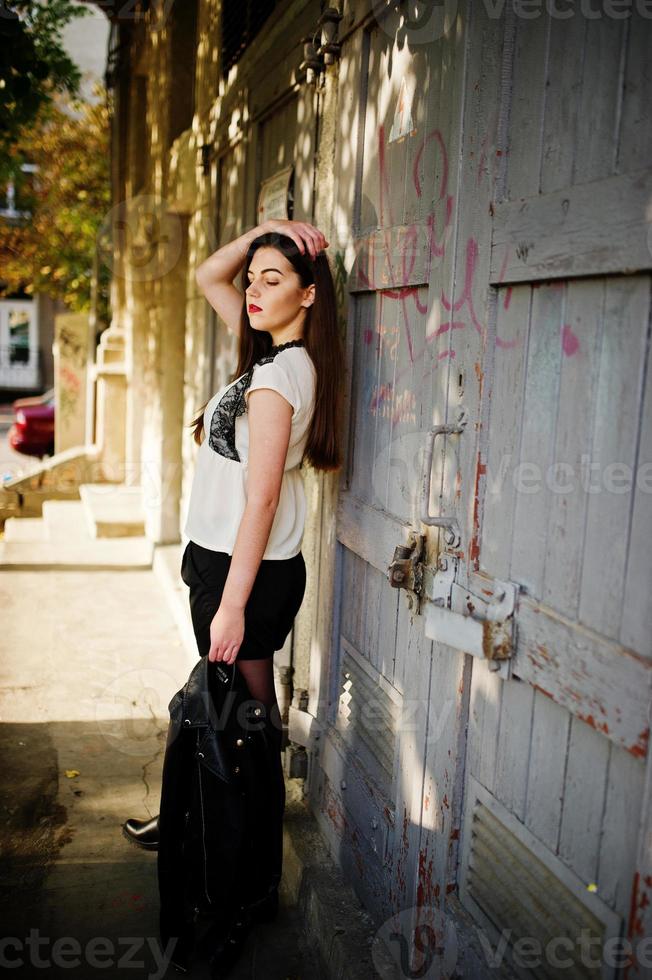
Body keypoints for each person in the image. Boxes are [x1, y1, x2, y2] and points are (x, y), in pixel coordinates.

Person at [122, 218, 345, 959]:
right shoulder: (269, 355)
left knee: (244, 733)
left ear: (309, 297)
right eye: (255, 278)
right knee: (242, 725)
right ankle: (215, 839)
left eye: (274, 279)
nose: (252, 289)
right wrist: (265, 234)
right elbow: (209, 276)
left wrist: (232, 604)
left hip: (242, 572)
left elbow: (261, 502)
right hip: (226, 564)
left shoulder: (282, 378)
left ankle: (245, 884)